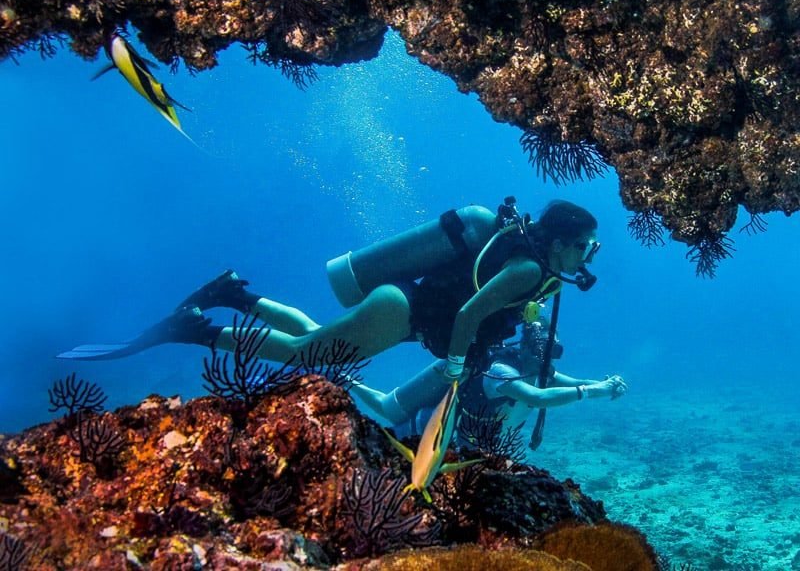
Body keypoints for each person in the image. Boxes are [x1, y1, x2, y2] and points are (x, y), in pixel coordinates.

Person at [58, 199, 602, 386]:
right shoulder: (528, 268)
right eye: (583, 246)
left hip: (400, 304)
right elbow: (466, 313)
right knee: (305, 356)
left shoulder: (530, 261)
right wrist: (456, 369)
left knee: (316, 338)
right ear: (558, 241)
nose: (585, 257)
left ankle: (236, 296)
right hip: (402, 313)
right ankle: (195, 332)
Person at [349, 319, 628, 445]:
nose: (545, 362)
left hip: (475, 444)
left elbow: (574, 382)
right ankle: (350, 383)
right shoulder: (501, 371)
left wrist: (606, 384)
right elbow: (538, 398)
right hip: (434, 432)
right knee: (385, 415)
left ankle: (349, 383)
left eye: (550, 354)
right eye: (539, 354)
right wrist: (595, 390)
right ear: (524, 349)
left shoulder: (541, 370)